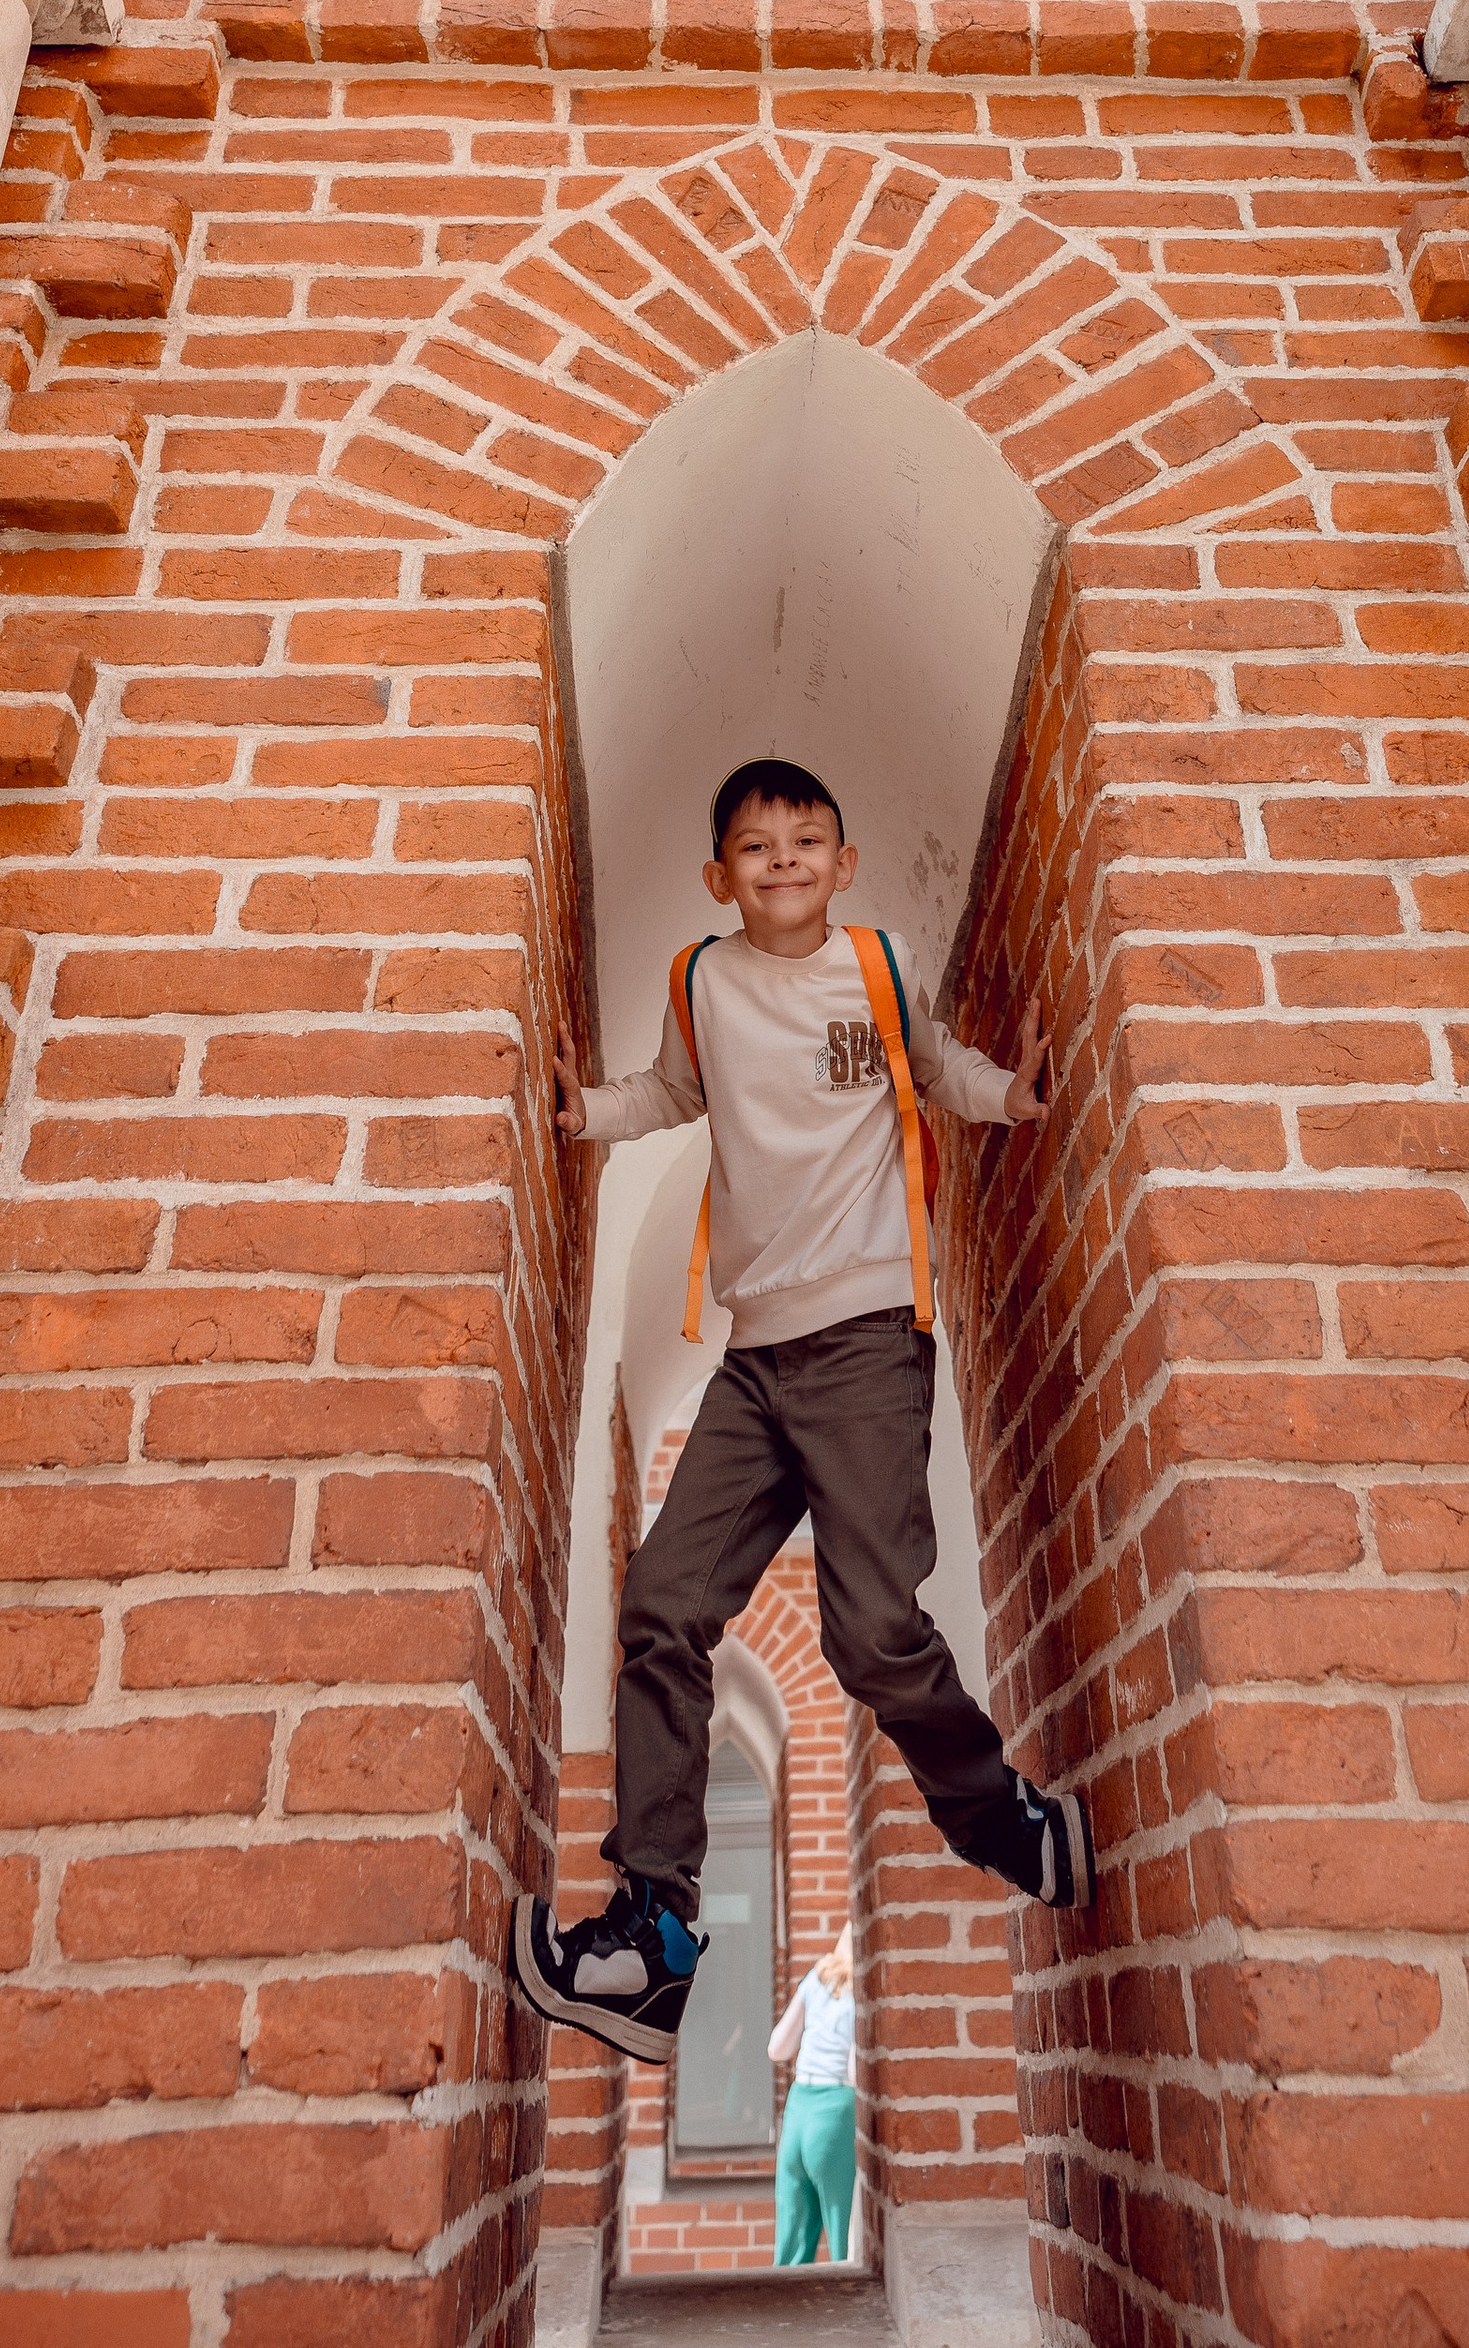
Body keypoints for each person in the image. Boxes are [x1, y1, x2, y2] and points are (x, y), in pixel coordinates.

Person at [509, 756, 1095, 2070]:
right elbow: (674, 1094)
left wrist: (1016, 1096)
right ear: (722, 876)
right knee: (663, 1600)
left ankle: (985, 1805)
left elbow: (937, 1069)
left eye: (806, 840)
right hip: (755, 1362)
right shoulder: (701, 981)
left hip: (871, 1342)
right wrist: (583, 1111)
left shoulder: (876, 968)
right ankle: (652, 1941)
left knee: (872, 1630)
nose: (782, 861)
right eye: (756, 846)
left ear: (845, 862)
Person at [768, 1924, 858, 2264]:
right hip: (835, 2114)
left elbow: (777, 2048)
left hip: (798, 2109)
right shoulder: (859, 1991)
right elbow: (854, 2072)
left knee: (790, 2249)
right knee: (844, 2246)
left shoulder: (816, 1977)